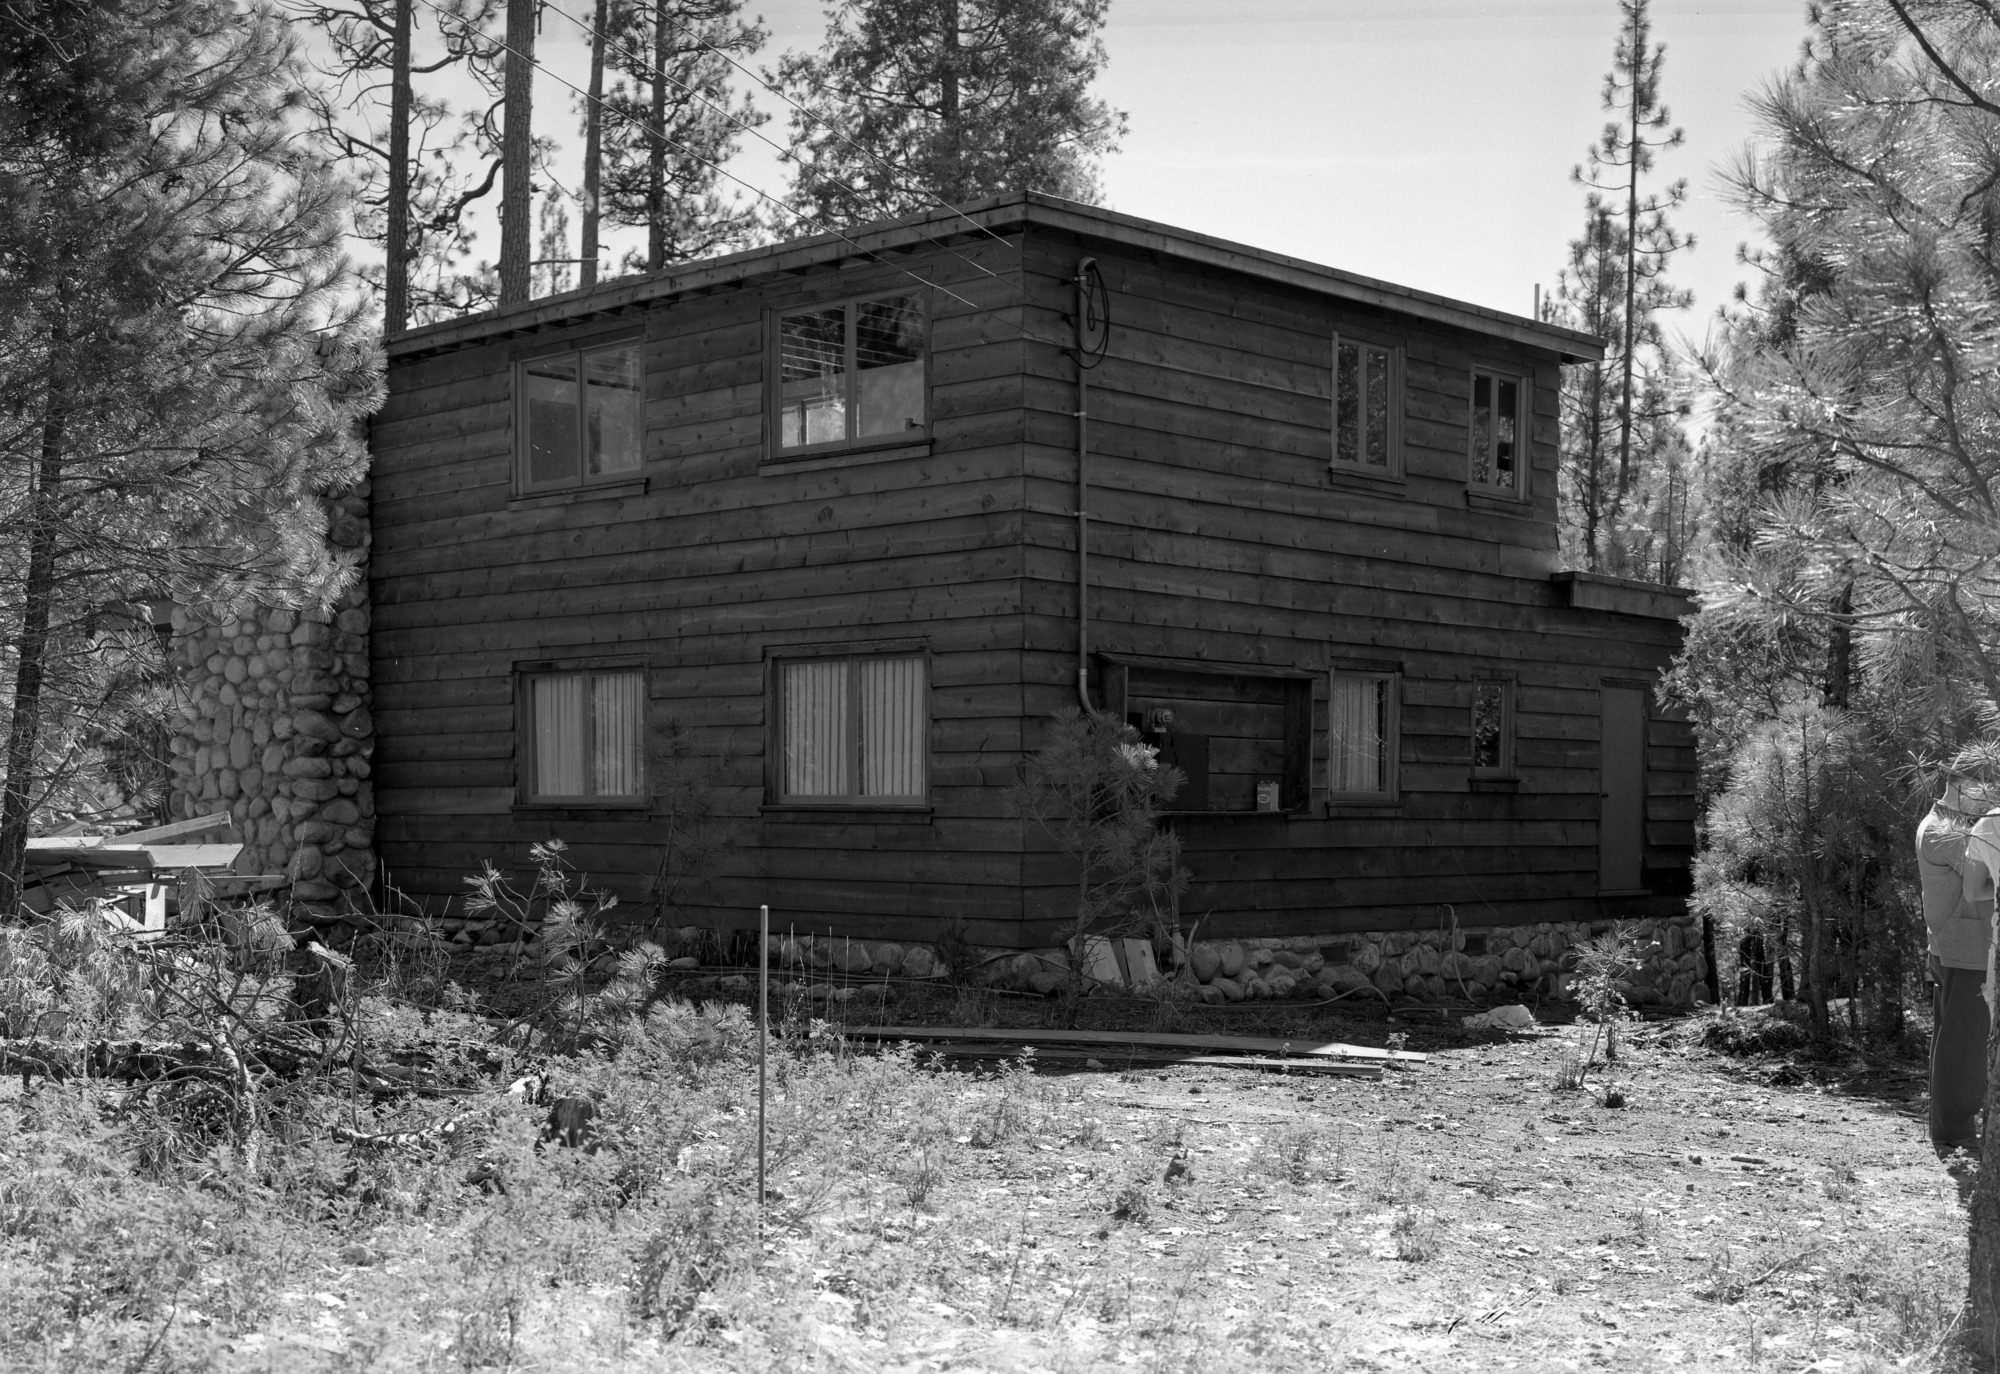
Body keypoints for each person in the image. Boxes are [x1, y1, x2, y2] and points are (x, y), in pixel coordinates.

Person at [1919, 759, 1994, 1155]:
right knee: (1964, 1043)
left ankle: (1950, 1128)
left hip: (1958, 945)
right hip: (1964, 948)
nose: (1991, 801)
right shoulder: (1942, 831)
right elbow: (1984, 876)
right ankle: (1955, 1134)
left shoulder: (1948, 825)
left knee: (1955, 1038)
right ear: (1963, 786)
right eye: (1987, 791)